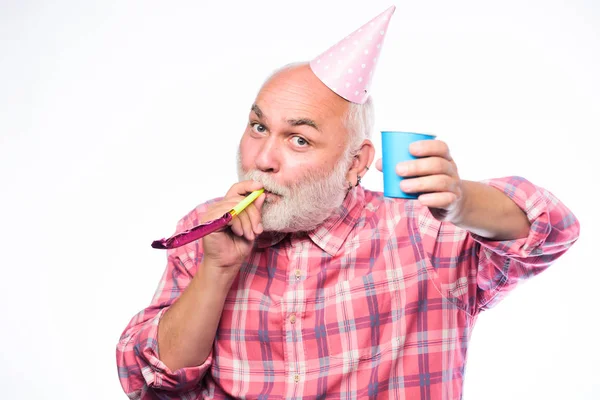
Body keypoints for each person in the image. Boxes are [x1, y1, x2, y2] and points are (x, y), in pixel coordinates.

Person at [116, 6, 579, 400]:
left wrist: (460, 201)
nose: (263, 159)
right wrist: (215, 272)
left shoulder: (422, 234)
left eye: (298, 139)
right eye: (259, 128)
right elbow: (147, 380)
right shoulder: (206, 229)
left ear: (356, 163)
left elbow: (551, 230)